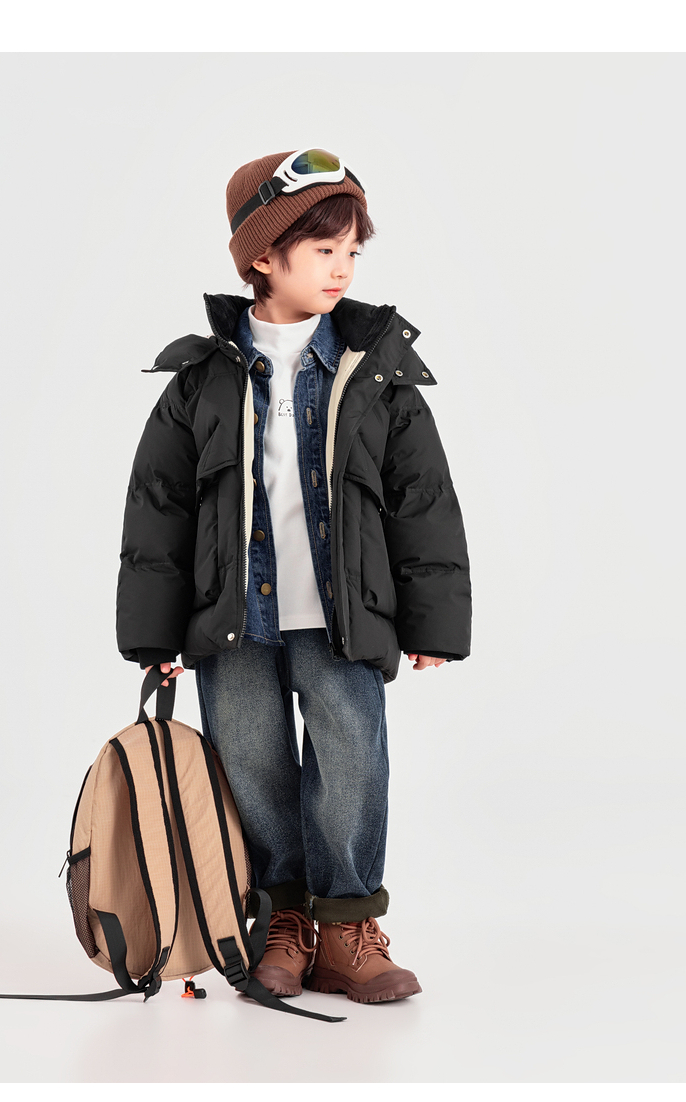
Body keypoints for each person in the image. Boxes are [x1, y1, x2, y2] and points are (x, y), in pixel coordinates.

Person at [116, 148, 472, 1004]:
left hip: (344, 616)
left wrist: (432, 622)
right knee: (253, 767)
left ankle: (347, 925)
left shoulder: (377, 374)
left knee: (351, 761)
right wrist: (154, 634)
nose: (343, 267)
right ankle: (282, 920)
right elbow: (158, 512)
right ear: (262, 257)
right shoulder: (202, 380)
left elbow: (422, 501)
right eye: (323, 250)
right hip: (232, 616)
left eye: (353, 250)